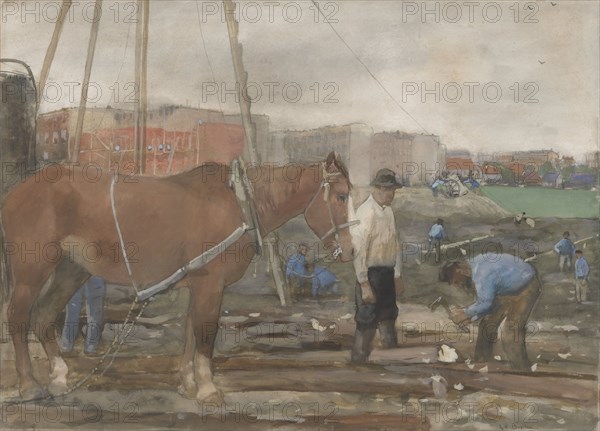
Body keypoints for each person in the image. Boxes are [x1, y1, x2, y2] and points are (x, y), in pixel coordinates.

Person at [440, 254, 541, 371]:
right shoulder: (474, 268)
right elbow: (487, 303)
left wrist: (465, 313)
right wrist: (470, 318)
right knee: (487, 324)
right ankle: (482, 363)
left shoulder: (482, 273)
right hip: (506, 289)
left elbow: (486, 303)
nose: (455, 284)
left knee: (511, 329)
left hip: (526, 287)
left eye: (453, 280)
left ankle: (522, 370)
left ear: (458, 270)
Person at [350, 168, 404, 363]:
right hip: (371, 275)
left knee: (389, 315)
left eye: (394, 191)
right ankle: (358, 362)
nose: (393, 195)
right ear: (380, 189)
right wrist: (364, 283)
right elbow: (358, 251)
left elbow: (395, 244)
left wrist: (397, 274)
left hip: (387, 274)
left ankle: (393, 360)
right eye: (391, 190)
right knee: (367, 319)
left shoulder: (388, 211)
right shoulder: (366, 212)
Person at [60, 276, 106, 355]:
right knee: (95, 313)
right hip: (95, 272)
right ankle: (90, 348)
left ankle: (66, 347)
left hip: (76, 272)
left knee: (72, 311)